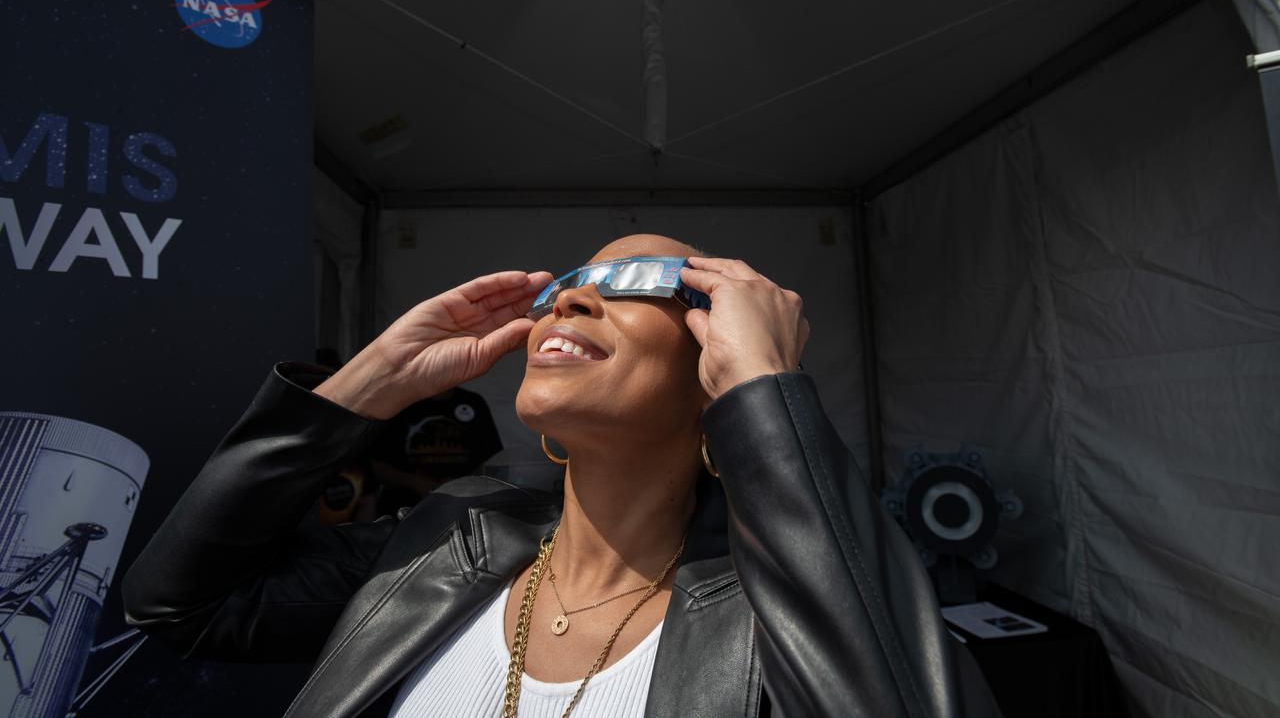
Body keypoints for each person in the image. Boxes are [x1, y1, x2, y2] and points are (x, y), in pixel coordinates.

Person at [121, 234, 998, 717]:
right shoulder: (451, 536)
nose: (571, 298)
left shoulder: (779, 612)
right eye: (572, 283)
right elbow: (181, 604)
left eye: (639, 282)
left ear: (712, 365)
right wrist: (367, 385)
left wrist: (768, 396)